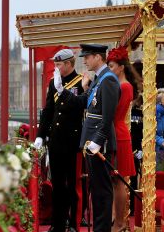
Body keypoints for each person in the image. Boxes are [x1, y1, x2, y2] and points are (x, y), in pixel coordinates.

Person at [56, 43, 120, 232]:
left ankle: (102, 229)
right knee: (97, 190)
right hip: (92, 141)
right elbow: (85, 102)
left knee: (102, 190)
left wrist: (98, 141)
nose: (84, 60)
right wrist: (63, 91)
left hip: (99, 143)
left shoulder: (108, 80)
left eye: (88, 56)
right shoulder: (99, 79)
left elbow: (108, 116)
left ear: (98, 57)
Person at [35, 49, 84, 232]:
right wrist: (41, 134)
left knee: (71, 185)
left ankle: (72, 223)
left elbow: (79, 108)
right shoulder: (52, 83)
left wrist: (63, 91)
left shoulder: (81, 82)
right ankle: (57, 224)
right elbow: (49, 110)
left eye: (59, 64)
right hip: (56, 140)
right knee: (57, 184)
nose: (56, 68)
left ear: (69, 64)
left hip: (72, 140)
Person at [107, 47, 140, 232]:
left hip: (118, 134)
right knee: (114, 181)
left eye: (111, 66)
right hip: (116, 132)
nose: (109, 70)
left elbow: (114, 113)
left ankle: (119, 222)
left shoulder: (124, 86)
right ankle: (115, 218)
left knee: (118, 180)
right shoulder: (119, 85)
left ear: (120, 67)